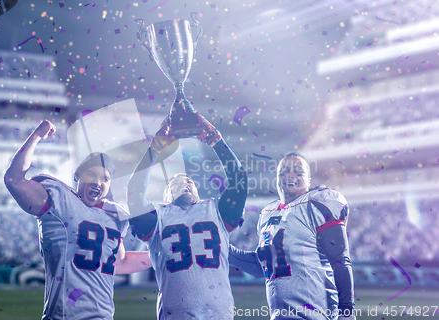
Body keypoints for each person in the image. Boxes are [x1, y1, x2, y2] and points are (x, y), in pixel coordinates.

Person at [4, 119, 151, 320]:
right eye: (92, 174)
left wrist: (160, 255)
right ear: (78, 175)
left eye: (105, 179)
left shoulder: (115, 217)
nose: (98, 182)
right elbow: (14, 179)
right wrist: (36, 136)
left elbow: (121, 263)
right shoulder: (57, 198)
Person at [127, 115, 248, 319]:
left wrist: (215, 140)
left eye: (190, 181)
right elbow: (134, 190)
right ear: (166, 197)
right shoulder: (158, 217)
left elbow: (239, 179)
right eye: (175, 182)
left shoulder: (215, 210)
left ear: (198, 193)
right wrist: (154, 149)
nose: (185, 182)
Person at [229, 153, 356, 320]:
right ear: (276, 179)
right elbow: (263, 267)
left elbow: (340, 260)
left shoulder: (317, 204)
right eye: (283, 172)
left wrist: (346, 311)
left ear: (309, 180)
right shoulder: (267, 214)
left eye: (298, 172)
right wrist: (225, 248)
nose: (289, 175)